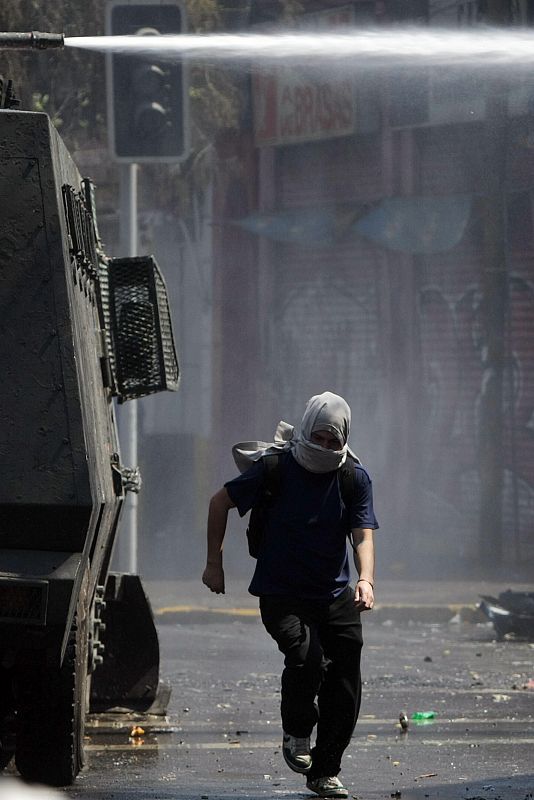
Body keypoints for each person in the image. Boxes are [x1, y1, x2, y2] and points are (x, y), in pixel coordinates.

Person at [202, 392, 378, 799]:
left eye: (335, 442)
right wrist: (215, 562)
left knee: (345, 680)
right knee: (306, 658)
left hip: (335, 595)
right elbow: (219, 502)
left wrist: (366, 579)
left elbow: (362, 534)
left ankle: (325, 769)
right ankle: (297, 731)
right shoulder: (276, 468)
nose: (327, 448)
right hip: (282, 593)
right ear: (305, 431)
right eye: (320, 438)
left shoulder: (353, 476)